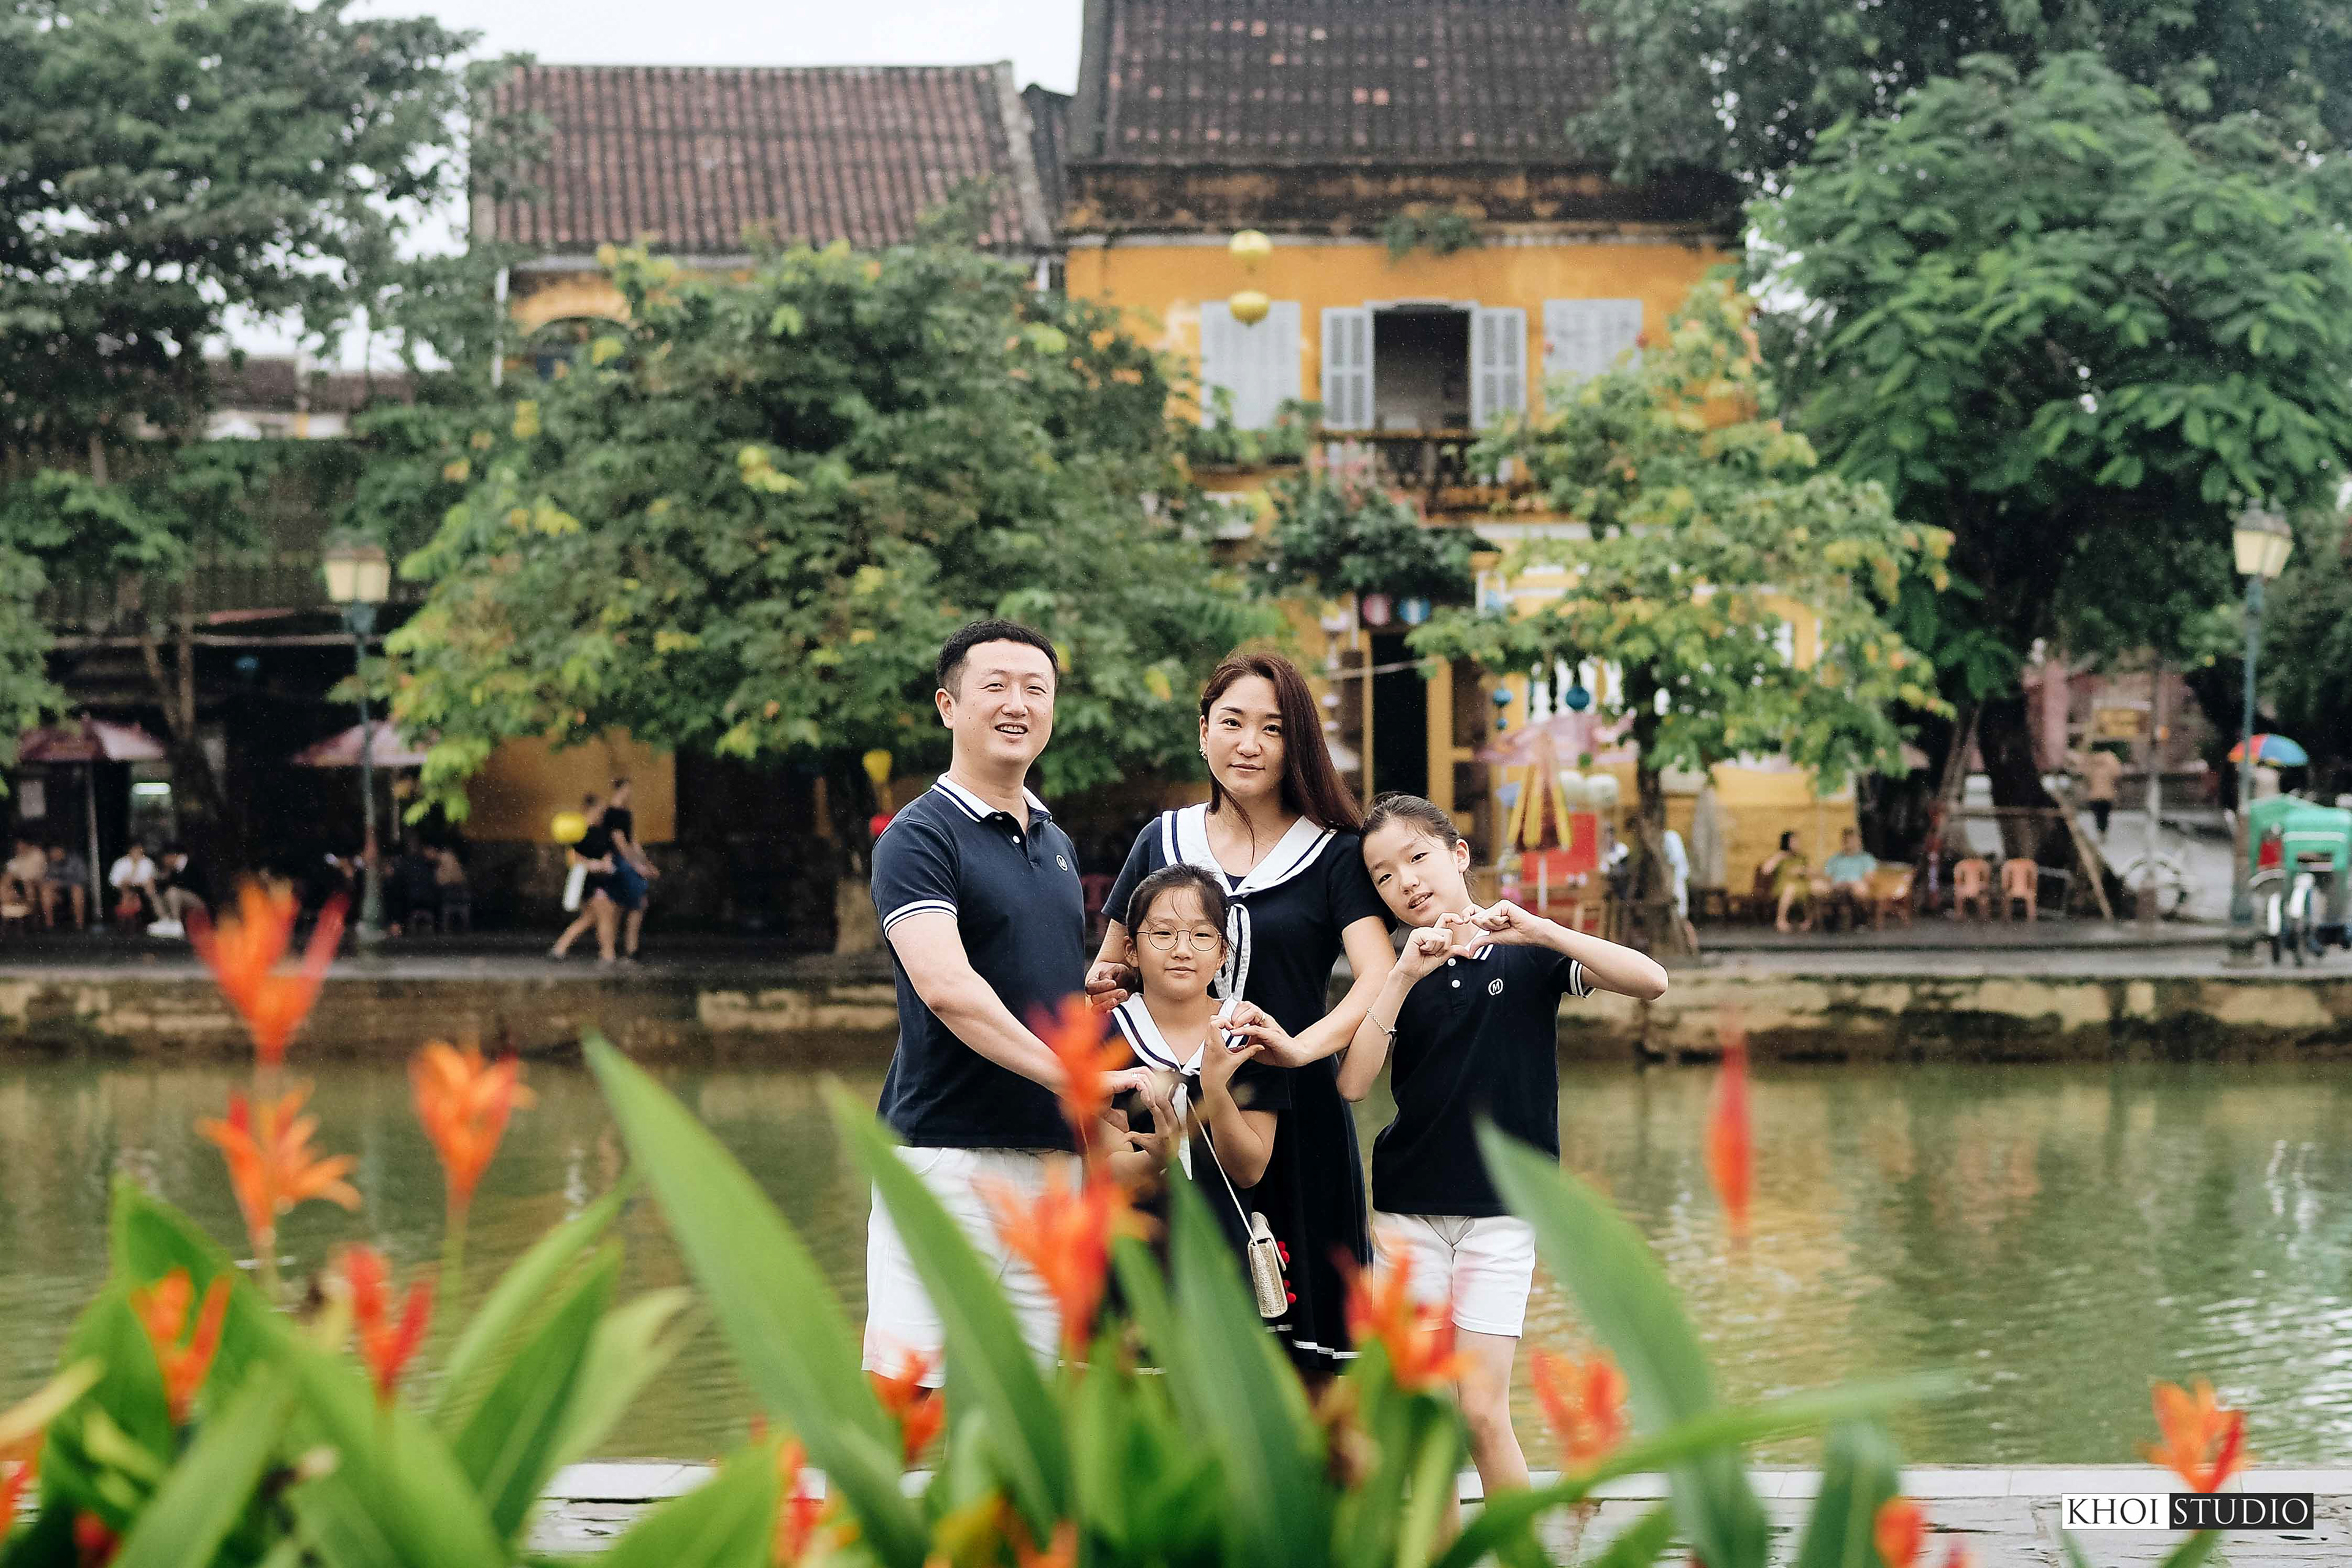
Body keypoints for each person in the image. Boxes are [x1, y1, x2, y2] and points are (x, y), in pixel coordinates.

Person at [1341, 793, 1667, 1501]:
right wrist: (1401, 975)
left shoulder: (1528, 956)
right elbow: (1354, 1083)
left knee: (1482, 1410)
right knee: (1419, 1413)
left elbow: (1652, 981)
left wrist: (1545, 932)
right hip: (1407, 1216)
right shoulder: (1399, 975)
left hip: (1504, 1215)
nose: (1407, 882)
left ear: (1459, 855)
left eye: (1418, 857)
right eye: (1385, 876)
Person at [1090, 650, 1396, 1382]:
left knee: (1308, 1364)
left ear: (1298, 743)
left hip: (1298, 1122)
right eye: (1231, 723)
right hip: (1164, 1121)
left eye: (1272, 727)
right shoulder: (1160, 840)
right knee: (1165, 1351)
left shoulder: (1335, 853)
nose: (1249, 743)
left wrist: (1299, 1050)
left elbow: (1376, 976)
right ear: (1203, 732)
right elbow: (1110, 969)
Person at [865, 619, 1144, 1384]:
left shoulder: (1054, 840)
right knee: (910, 1396)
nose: (1017, 703)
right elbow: (950, 989)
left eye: (1036, 689)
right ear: (948, 706)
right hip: (944, 1156)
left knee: (1029, 1415)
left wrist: (1081, 996)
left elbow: (1025, 982)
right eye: (996, 686)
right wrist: (1074, 1077)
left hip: (1053, 1164)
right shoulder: (920, 838)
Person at [1101, 865, 1284, 1282]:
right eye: (1163, 934)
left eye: (1202, 936)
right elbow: (1105, 1166)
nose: (1182, 950)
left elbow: (1249, 1169)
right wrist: (1156, 1160)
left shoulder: (1248, 1035)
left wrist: (1216, 1087)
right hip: (1129, 1261)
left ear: (1222, 953)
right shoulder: (1105, 1035)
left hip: (1224, 1261)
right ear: (1131, 950)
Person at [551, 793, 617, 963]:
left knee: (589, 918)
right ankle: (608, 954)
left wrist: (605, 864)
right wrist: (592, 864)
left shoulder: (602, 832)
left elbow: (608, 854)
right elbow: (574, 857)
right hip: (591, 881)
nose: (602, 815)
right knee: (604, 916)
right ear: (590, 809)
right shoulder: (578, 833)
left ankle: (560, 948)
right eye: (600, 811)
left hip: (602, 879)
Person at [600, 778, 660, 959]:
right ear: (621, 789)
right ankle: (630, 948)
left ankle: (617, 949)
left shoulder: (625, 813)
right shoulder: (614, 813)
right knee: (637, 902)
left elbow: (632, 842)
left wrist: (646, 863)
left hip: (624, 862)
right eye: (628, 789)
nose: (630, 793)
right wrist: (637, 867)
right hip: (619, 863)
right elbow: (621, 844)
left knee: (620, 905)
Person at [1820, 829, 1877, 930]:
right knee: (1820, 888)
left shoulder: (1866, 858)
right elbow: (1827, 876)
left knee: (1860, 890)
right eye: (1848, 840)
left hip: (1856, 885)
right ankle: (1830, 922)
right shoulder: (1835, 859)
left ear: (1859, 841)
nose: (1850, 843)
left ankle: (1861, 921)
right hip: (1837, 886)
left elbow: (1869, 878)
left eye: (1853, 840)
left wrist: (1852, 884)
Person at [1759, 831, 1810, 933]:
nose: (1797, 844)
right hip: (1783, 886)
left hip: (1801, 885)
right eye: (1794, 841)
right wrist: (1778, 857)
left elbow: (1810, 871)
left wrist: (1802, 871)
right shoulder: (1781, 857)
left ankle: (1809, 920)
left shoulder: (1802, 857)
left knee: (1814, 889)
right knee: (1790, 889)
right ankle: (1781, 920)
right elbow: (1765, 870)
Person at [153, 844, 208, 932]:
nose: (164, 862)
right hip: (181, 896)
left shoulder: (191, 864)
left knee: (173, 892)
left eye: (165, 859)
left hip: (198, 900)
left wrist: (172, 875)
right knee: (157, 893)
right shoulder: (173, 869)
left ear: (171, 856)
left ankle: (176, 923)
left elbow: (193, 887)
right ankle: (164, 920)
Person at [108, 840, 158, 926]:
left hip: (142, 891)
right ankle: (125, 912)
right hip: (123, 890)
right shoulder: (121, 863)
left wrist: (136, 883)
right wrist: (127, 882)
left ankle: (149, 917)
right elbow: (114, 881)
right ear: (130, 850)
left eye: (139, 849)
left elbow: (148, 881)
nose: (137, 852)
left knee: (149, 888)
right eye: (135, 849)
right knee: (126, 888)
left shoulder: (148, 863)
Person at [42, 843, 88, 930]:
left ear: (61, 850)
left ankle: (79, 925)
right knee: (46, 891)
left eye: (55, 852)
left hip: (75, 891)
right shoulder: (52, 864)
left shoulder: (76, 861)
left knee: (77, 891)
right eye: (51, 853)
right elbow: (47, 880)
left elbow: (83, 879)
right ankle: (49, 925)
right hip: (59, 894)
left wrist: (61, 883)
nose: (53, 855)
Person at [2081, 744, 2124, 837]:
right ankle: (2103, 832)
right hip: (2108, 794)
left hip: (2094, 794)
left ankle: (2100, 831)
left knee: (2097, 814)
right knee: (2105, 815)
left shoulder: (2091, 760)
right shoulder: (2112, 759)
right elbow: (2117, 775)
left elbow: (2086, 776)